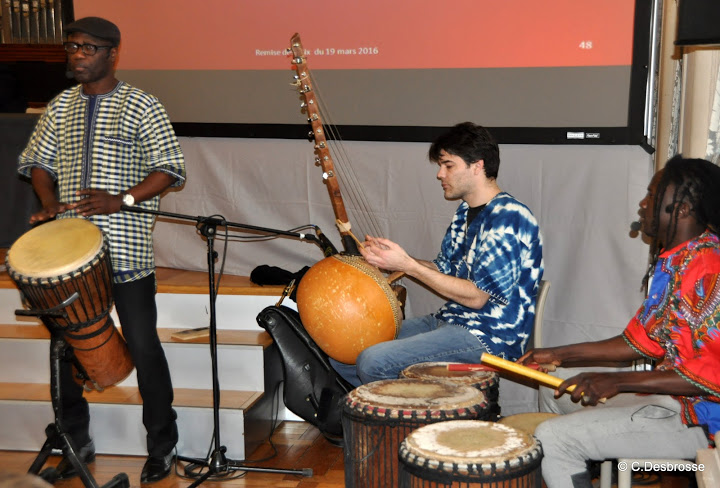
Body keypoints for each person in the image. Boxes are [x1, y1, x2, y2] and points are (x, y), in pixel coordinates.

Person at [17, 17, 186, 483]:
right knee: (65, 348)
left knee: (144, 347)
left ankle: (163, 445)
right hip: (70, 254)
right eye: (72, 46)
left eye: (88, 48)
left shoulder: (142, 104)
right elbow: (37, 162)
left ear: (113, 53)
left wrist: (122, 200)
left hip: (125, 247)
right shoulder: (61, 105)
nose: (77, 55)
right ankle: (75, 441)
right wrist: (48, 202)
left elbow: (169, 168)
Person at [519, 155, 720, 488]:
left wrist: (618, 381)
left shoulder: (710, 269)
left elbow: (712, 376)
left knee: (554, 438)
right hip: (678, 403)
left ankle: (568, 456)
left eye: (652, 196)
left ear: (682, 209)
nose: (643, 204)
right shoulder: (680, 260)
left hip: (705, 423)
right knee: (556, 386)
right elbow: (637, 342)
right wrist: (556, 355)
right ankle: (575, 469)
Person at [331, 122, 544, 387]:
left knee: (372, 362)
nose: (440, 174)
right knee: (346, 350)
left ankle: (419, 412)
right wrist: (396, 260)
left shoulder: (508, 217)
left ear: (477, 166)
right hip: (452, 320)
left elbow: (477, 297)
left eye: (448, 165)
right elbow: (444, 269)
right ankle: (403, 407)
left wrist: (409, 265)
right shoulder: (465, 211)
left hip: (489, 336)